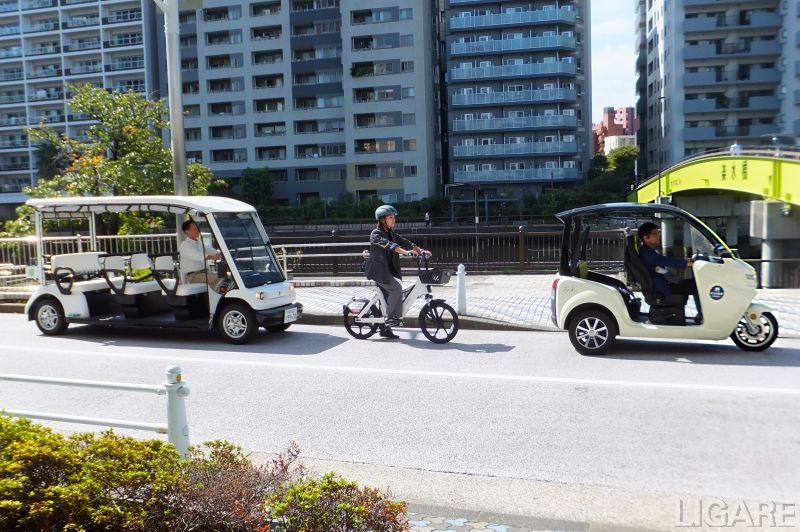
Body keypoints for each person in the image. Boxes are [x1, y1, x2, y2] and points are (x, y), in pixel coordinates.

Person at [364, 205, 422, 339]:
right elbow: (391, 246)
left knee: (390, 297)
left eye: (394, 217)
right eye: (390, 217)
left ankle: (385, 329)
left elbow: (403, 241)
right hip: (378, 271)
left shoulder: (391, 232)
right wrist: (406, 253)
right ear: (382, 220)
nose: (393, 220)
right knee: (396, 289)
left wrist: (419, 249)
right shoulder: (376, 234)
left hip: (386, 270)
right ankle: (391, 318)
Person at [638, 222, 702, 321]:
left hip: (662, 284)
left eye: (658, 233)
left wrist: (685, 262)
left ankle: (701, 314)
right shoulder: (647, 254)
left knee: (691, 284)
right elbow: (665, 261)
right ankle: (702, 315)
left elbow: (663, 259)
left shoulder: (648, 251)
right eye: (655, 234)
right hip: (662, 289)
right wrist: (686, 263)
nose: (658, 236)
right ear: (646, 238)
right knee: (696, 286)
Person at [179, 220, 221, 288]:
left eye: (197, 228)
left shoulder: (200, 243)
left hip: (206, 273)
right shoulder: (185, 245)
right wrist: (212, 257)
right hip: (193, 276)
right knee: (218, 280)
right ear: (187, 231)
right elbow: (197, 256)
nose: (198, 230)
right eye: (194, 228)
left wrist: (222, 254)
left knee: (227, 276)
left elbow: (211, 250)